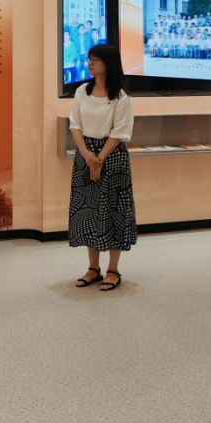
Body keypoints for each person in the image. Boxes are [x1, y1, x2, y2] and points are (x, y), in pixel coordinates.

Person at [68, 44, 136, 292]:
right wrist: (88, 156)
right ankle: (93, 267)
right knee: (88, 210)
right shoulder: (82, 91)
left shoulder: (121, 96)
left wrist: (99, 158)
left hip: (112, 157)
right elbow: (75, 125)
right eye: (89, 59)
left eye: (95, 59)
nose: (90, 63)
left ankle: (113, 269)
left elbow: (120, 132)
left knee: (114, 210)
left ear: (109, 63)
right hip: (85, 155)